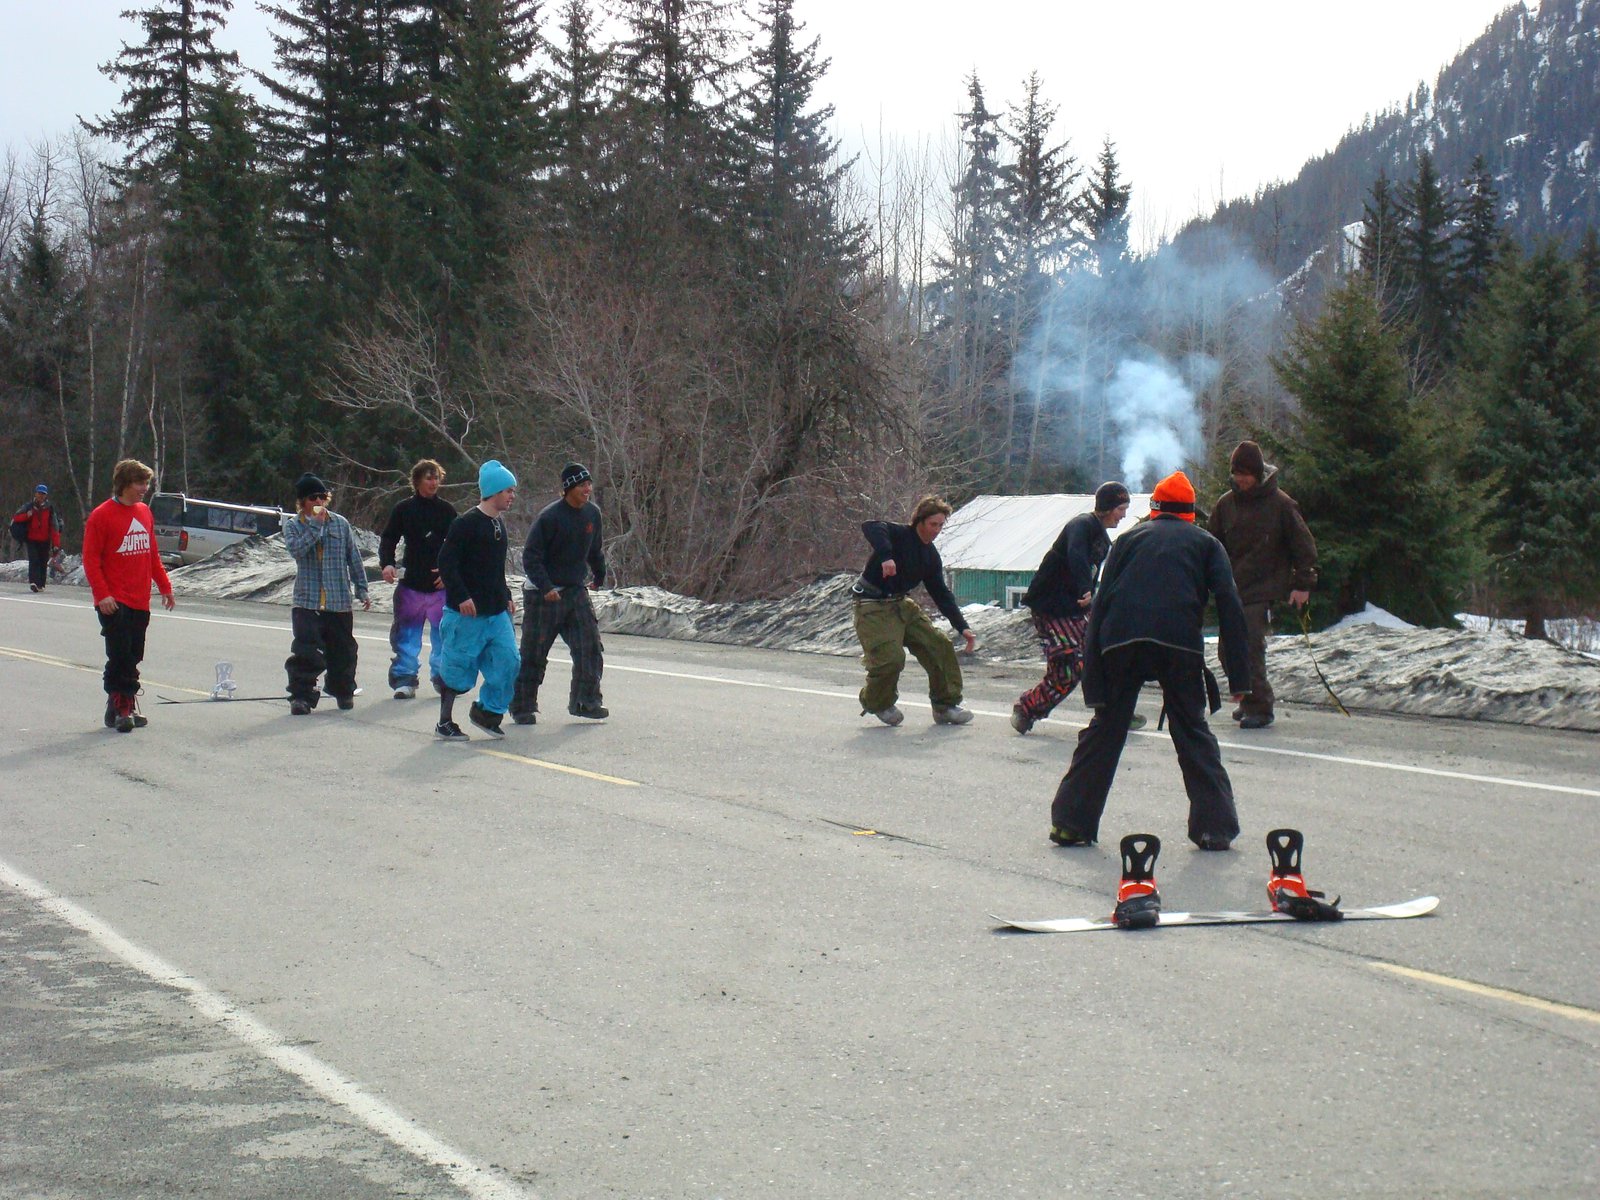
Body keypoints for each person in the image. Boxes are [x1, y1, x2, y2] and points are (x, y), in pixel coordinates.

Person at [1048, 470, 1251, 851]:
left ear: (1155, 509)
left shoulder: (1126, 541)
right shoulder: (1207, 544)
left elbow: (1101, 605)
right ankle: (1214, 828)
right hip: (1178, 643)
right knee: (1191, 729)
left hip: (1119, 640)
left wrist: (1096, 684)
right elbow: (1231, 608)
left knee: (1107, 727)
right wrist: (1240, 679)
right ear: (1191, 512)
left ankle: (1071, 824)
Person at [1011, 481, 1139, 735]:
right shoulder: (1081, 525)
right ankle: (1027, 709)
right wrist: (1085, 589)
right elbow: (1076, 555)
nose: (1123, 515)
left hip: (1077, 608)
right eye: (1120, 509)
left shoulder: (1104, 540)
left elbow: (1098, 574)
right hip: (1051, 607)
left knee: (1103, 653)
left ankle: (1117, 710)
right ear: (1106, 507)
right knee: (1073, 665)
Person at [1207, 439, 1318, 729]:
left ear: (1257, 473)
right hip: (1232, 587)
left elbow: (1303, 546)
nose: (1241, 479)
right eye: (1237, 473)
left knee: (1250, 645)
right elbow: (1211, 544)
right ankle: (1246, 699)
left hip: (1265, 588)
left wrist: (1303, 583)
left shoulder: (1281, 503)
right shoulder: (1225, 505)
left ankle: (1261, 707)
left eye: (1246, 473)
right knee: (1226, 650)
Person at [853, 495, 978, 727]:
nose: (937, 530)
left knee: (939, 646)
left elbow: (941, 593)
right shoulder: (900, 535)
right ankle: (877, 702)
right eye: (933, 524)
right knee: (890, 660)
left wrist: (963, 627)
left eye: (941, 525)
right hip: (872, 605)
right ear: (919, 521)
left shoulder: (930, 556)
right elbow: (870, 526)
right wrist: (886, 556)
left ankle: (945, 706)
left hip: (901, 605)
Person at [81, 459, 175, 732]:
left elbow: (152, 554)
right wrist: (102, 595)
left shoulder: (145, 512)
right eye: (139, 483)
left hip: (139, 598)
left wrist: (165, 586)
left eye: (146, 483)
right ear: (124, 484)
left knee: (133, 654)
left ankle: (121, 702)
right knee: (120, 653)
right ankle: (123, 706)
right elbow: (91, 560)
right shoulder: (101, 515)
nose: (144, 488)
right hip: (114, 600)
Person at [511, 462, 608, 724]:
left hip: (575, 591)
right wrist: (546, 586)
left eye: (589, 484)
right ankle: (522, 706)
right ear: (568, 489)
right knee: (534, 653)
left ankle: (585, 701)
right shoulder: (550, 518)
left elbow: (594, 550)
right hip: (543, 595)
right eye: (581, 485)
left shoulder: (592, 515)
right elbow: (531, 557)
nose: (587, 489)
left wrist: (599, 575)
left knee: (590, 647)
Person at [434, 460, 520, 740]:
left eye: (513, 491)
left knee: (509, 661)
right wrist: (460, 596)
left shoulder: (498, 525)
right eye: (507, 490)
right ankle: (444, 722)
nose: (511, 496)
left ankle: (487, 713)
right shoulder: (466, 524)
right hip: (466, 614)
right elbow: (446, 562)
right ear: (492, 491)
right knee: (457, 670)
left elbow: (495, 569)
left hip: (496, 613)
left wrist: (505, 595)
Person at [283, 472, 371, 715]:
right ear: (302, 502)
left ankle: (342, 689)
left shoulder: (340, 524)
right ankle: (301, 696)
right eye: (313, 498)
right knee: (306, 651)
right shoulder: (292, 525)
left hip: (338, 600)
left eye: (323, 496)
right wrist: (315, 526)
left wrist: (362, 588)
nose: (319, 502)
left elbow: (353, 558)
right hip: (307, 601)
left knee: (344, 651)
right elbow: (297, 551)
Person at [378, 459, 457, 700]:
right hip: (411, 585)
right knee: (406, 636)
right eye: (428, 478)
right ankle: (404, 679)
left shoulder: (447, 510)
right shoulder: (403, 509)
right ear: (417, 481)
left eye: (436, 478)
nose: (433, 483)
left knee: (444, 637)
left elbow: (459, 545)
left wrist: (450, 573)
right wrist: (388, 563)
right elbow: (389, 538)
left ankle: (443, 679)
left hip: (439, 587)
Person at [13, 484, 63, 592]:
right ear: (35, 493)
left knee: (42, 561)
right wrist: (27, 515)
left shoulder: (49, 508)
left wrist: (56, 544)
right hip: (31, 539)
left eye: (43, 494)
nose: (41, 496)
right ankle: (33, 582)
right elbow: (16, 518)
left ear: (46, 496)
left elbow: (54, 526)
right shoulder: (28, 506)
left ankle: (41, 584)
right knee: (34, 560)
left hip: (45, 540)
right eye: (39, 493)